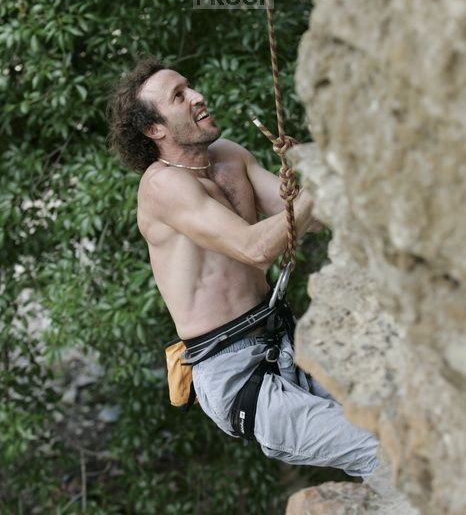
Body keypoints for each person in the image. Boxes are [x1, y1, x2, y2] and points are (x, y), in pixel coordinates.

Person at [107, 57, 380, 479]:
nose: (197, 96)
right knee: (383, 453)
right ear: (154, 130)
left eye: (190, 86)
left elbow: (311, 219)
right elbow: (255, 249)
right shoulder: (162, 186)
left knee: (405, 423)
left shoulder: (230, 156)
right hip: (236, 374)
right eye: (179, 97)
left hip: (286, 342)